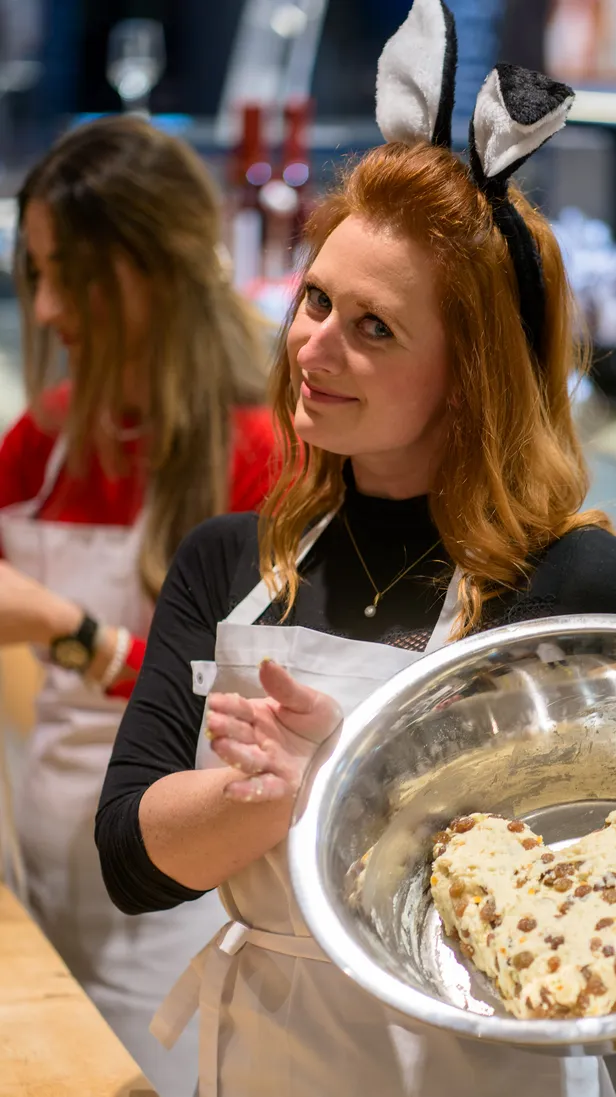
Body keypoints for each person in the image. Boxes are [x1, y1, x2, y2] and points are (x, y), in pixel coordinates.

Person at [96, 3, 616, 1094]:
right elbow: (132, 859)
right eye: (315, 301)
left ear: (471, 376)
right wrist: (277, 794)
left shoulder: (576, 588)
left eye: (374, 327)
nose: (314, 344)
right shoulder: (235, 557)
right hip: (269, 1055)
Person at [0, 116, 277, 1095]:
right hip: (35, 874)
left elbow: (236, 720)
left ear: (151, 267)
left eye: (66, 273)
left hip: (170, 902)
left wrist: (71, 633)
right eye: (32, 271)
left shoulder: (257, 460)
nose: (43, 304)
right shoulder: (37, 444)